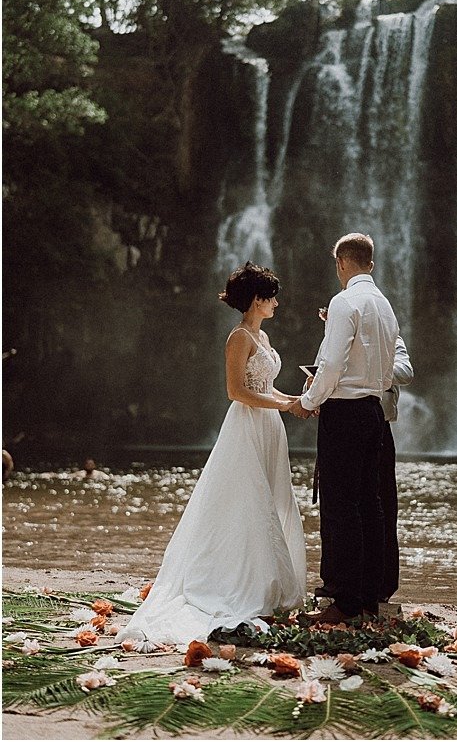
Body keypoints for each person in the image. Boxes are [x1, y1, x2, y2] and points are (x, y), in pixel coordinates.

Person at [117, 263, 307, 648]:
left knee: (270, 499)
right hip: (248, 426)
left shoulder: (263, 335)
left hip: (269, 425)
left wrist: (296, 400)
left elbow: (266, 386)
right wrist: (285, 407)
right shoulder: (239, 338)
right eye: (271, 296)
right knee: (246, 503)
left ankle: (267, 580)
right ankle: (242, 583)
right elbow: (237, 391)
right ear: (257, 299)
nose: (276, 303)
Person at [301, 233, 413, 626]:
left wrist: (309, 400)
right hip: (373, 413)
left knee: (341, 505)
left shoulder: (344, 301)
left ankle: (345, 602)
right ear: (370, 263)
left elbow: (331, 365)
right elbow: (385, 369)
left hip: (345, 412)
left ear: (342, 263)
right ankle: (368, 598)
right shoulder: (385, 306)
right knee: (371, 505)